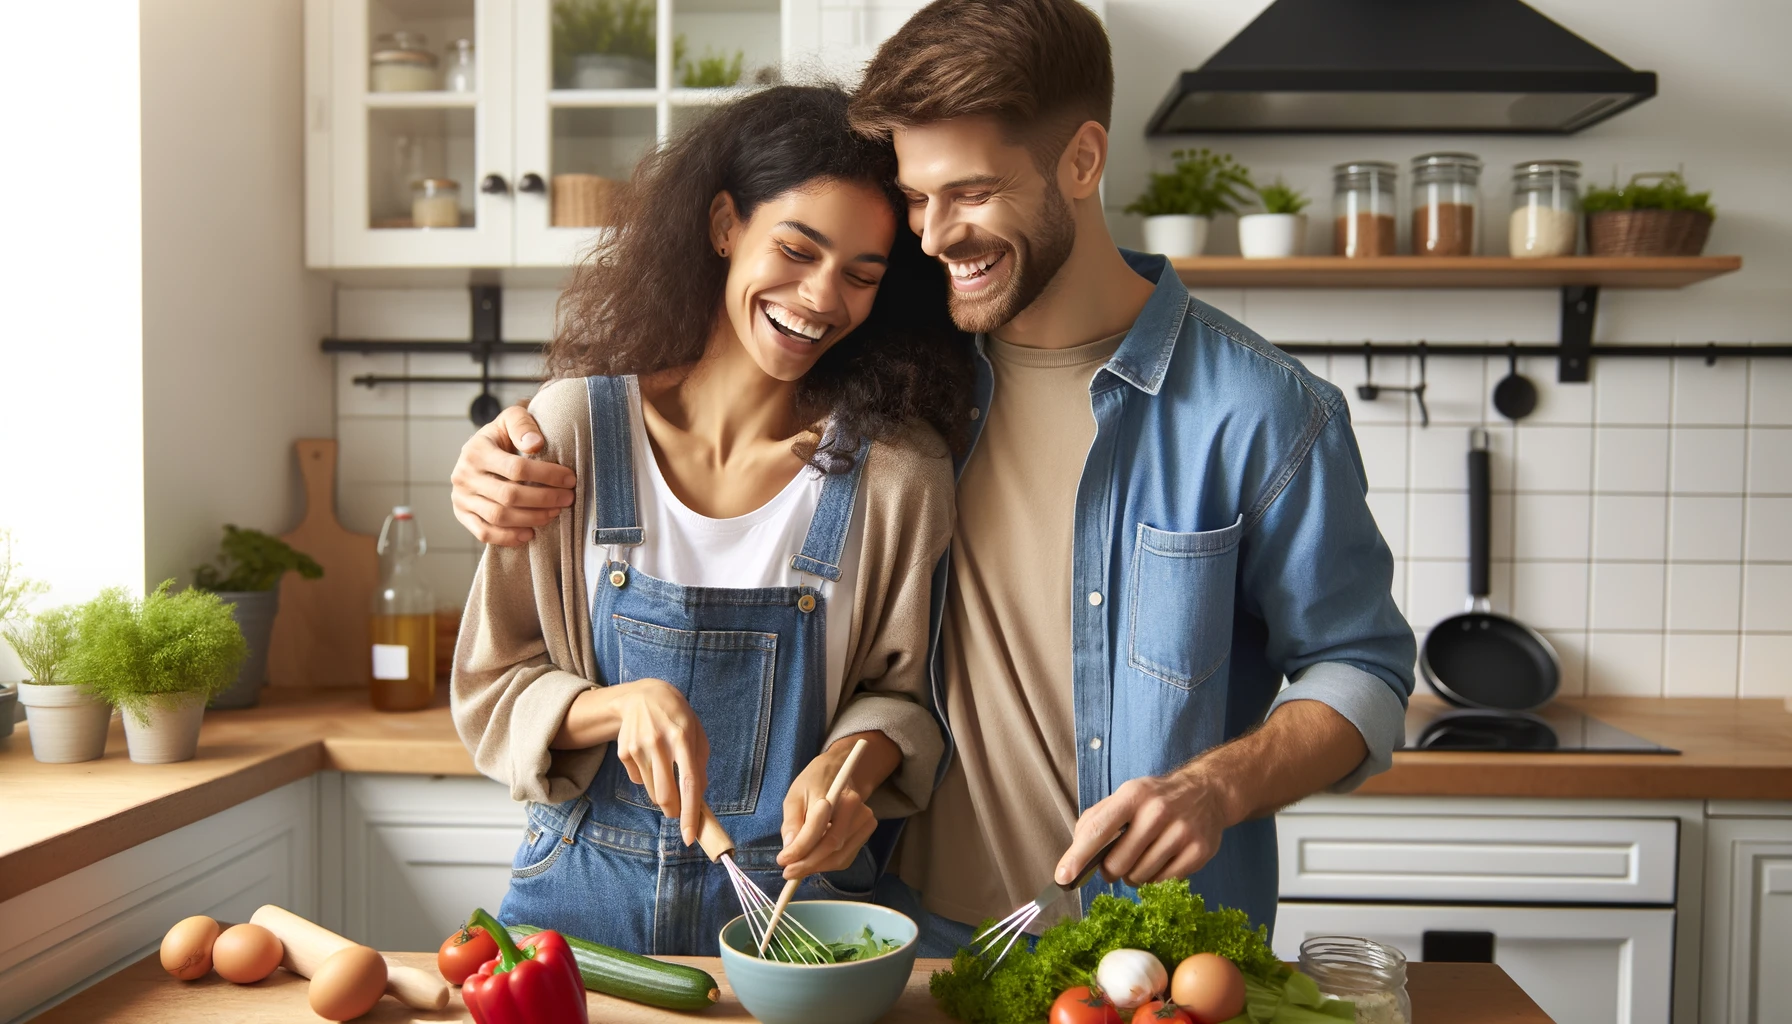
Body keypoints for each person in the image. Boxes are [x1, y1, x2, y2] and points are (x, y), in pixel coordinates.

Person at [451, 0, 1415, 954]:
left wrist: (1219, 786)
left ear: (1082, 160)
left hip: (1147, 951)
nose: (934, 235)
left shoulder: (1260, 411)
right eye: (916, 198)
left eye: (972, 191)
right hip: (921, 936)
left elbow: (1363, 667)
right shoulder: (911, 391)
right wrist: (491, 464)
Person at [449, 84, 971, 956]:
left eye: (861, 275)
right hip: (577, 912)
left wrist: (851, 772)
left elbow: (906, 697)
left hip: (801, 917)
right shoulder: (573, 429)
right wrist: (618, 707)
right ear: (725, 224)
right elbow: (491, 683)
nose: (820, 297)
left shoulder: (898, 473)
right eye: (796, 249)